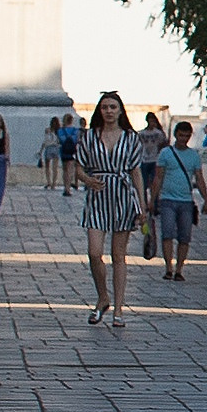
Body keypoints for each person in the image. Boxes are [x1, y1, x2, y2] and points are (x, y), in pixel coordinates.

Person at [66, 90, 144, 326]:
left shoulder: (130, 138)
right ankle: (103, 296)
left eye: (113, 107)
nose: (109, 111)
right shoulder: (90, 137)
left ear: (120, 111)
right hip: (97, 196)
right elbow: (78, 167)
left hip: (122, 195)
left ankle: (119, 309)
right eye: (105, 107)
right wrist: (87, 180)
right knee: (94, 252)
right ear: (99, 111)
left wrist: (143, 204)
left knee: (119, 255)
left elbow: (136, 171)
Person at [154, 121, 207, 281]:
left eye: (186, 136)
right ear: (175, 135)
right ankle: (168, 267)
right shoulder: (165, 153)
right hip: (167, 199)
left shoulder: (194, 156)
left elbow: (199, 178)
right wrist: (152, 199)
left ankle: (179, 269)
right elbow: (158, 177)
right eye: (181, 135)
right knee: (167, 234)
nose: (183, 139)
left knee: (184, 237)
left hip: (186, 201)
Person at [134, 112, 169, 257]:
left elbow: (163, 144)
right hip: (144, 159)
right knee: (142, 184)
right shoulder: (141, 134)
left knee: (155, 182)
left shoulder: (159, 134)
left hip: (155, 159)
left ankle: (153, 203)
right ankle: (143, 204)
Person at [38, 115, 62, 189]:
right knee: (55, 167)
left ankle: (49, 182)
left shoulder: (48, 130)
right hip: (56, 148)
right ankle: (54, 183)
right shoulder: (59, 131)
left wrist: (41, 150)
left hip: (48, 148)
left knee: (47, 167)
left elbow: (45, 141)